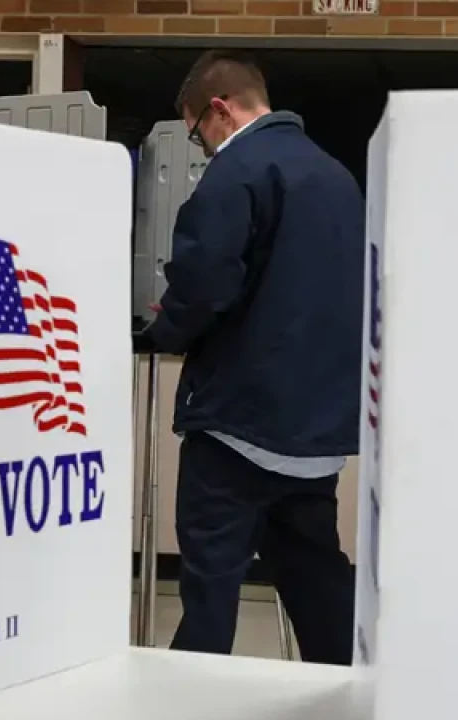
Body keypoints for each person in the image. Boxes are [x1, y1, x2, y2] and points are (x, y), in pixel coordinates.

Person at [138, 50, 364, 665]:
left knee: (211, 585)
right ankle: (353, 687)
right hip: (316, 433)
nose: (203, 147)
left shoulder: (237, 171)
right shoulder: (337, 177)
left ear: (220, 110)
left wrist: (164, 329)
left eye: (197, 133)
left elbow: (205, 281)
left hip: (238, 423)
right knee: (315, 574)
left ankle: (193, 696)